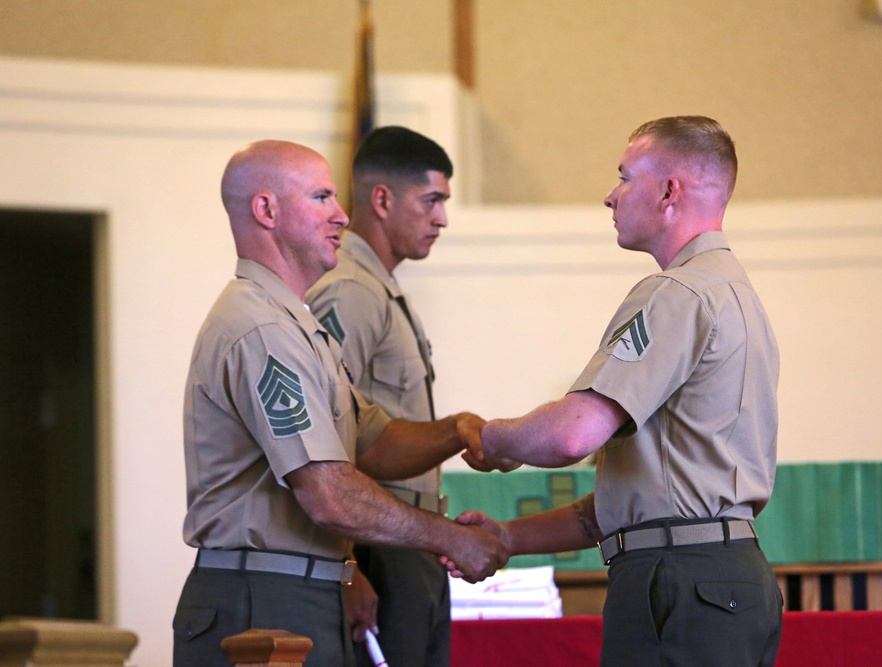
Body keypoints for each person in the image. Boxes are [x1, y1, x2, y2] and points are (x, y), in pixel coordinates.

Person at [453, 116, 784, 666]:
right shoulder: (738, 296)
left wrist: (490, 439)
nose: (611, 195)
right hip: (723, 579)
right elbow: (639, 498)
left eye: (626, 177)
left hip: (680, 582)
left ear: (669, 192)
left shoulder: (677, 293)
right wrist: (508, 538)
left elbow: (572, 434)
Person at [172, 139, 508, 667]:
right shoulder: (262, 329)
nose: (342, 215)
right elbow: (328, 493)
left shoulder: (296, 325)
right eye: (321, 197)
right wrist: (448, 537)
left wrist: (458, 430)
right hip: (263, 596)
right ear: (266, 210)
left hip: (302, 588)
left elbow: (372, 444)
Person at [305, 126, 456, 667]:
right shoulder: (350, 291)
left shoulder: (382, 290)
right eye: (431, 200)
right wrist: (347, 569)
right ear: (383, 199)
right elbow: (320, 436)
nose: (442, 218)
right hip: (378, 547)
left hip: (411, 542)